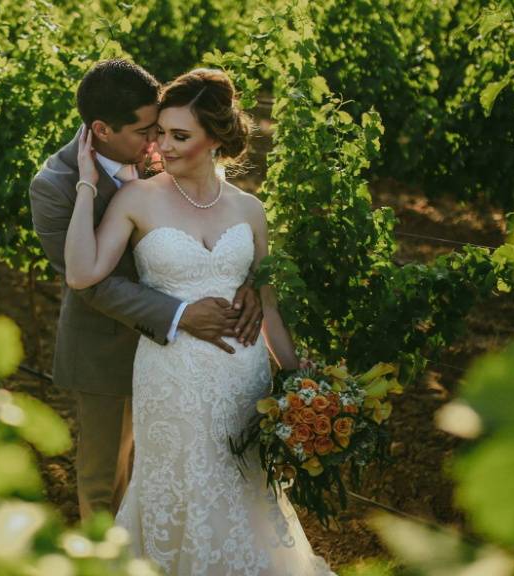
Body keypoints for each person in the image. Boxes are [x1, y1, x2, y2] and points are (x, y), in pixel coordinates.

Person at [64, 67, 336, 575]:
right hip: (171, 379)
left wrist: (302, 379)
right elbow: (83, 274)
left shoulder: (250, 209)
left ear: (215, 140)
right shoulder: (137, 198)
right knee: (178, 485)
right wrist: (84, 185)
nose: (161, 147)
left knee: (244, 486)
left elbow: (267, 305)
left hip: (242, 374)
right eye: (160, 133)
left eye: (178, 136)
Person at [29, 60, 263, 521]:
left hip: (194, 359)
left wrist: (246, 284)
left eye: (164, 128)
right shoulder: (54, 187)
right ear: (102, 129)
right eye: (146, 132)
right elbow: (93, 285)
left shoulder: (163, 150)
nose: (157, 141)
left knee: (180, 477)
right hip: (109, 350)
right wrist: (180, 313)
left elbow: (211, 220)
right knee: (106, 483)